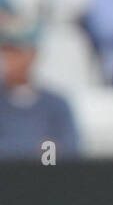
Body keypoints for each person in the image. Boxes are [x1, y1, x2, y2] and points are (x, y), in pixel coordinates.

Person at [0, 18, 81, 161]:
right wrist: (39, 148)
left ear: (33, 55)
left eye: (15, 52)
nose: (7, 59)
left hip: (47, 181)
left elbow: (71, 151)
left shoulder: (57, 104)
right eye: (5, 52)